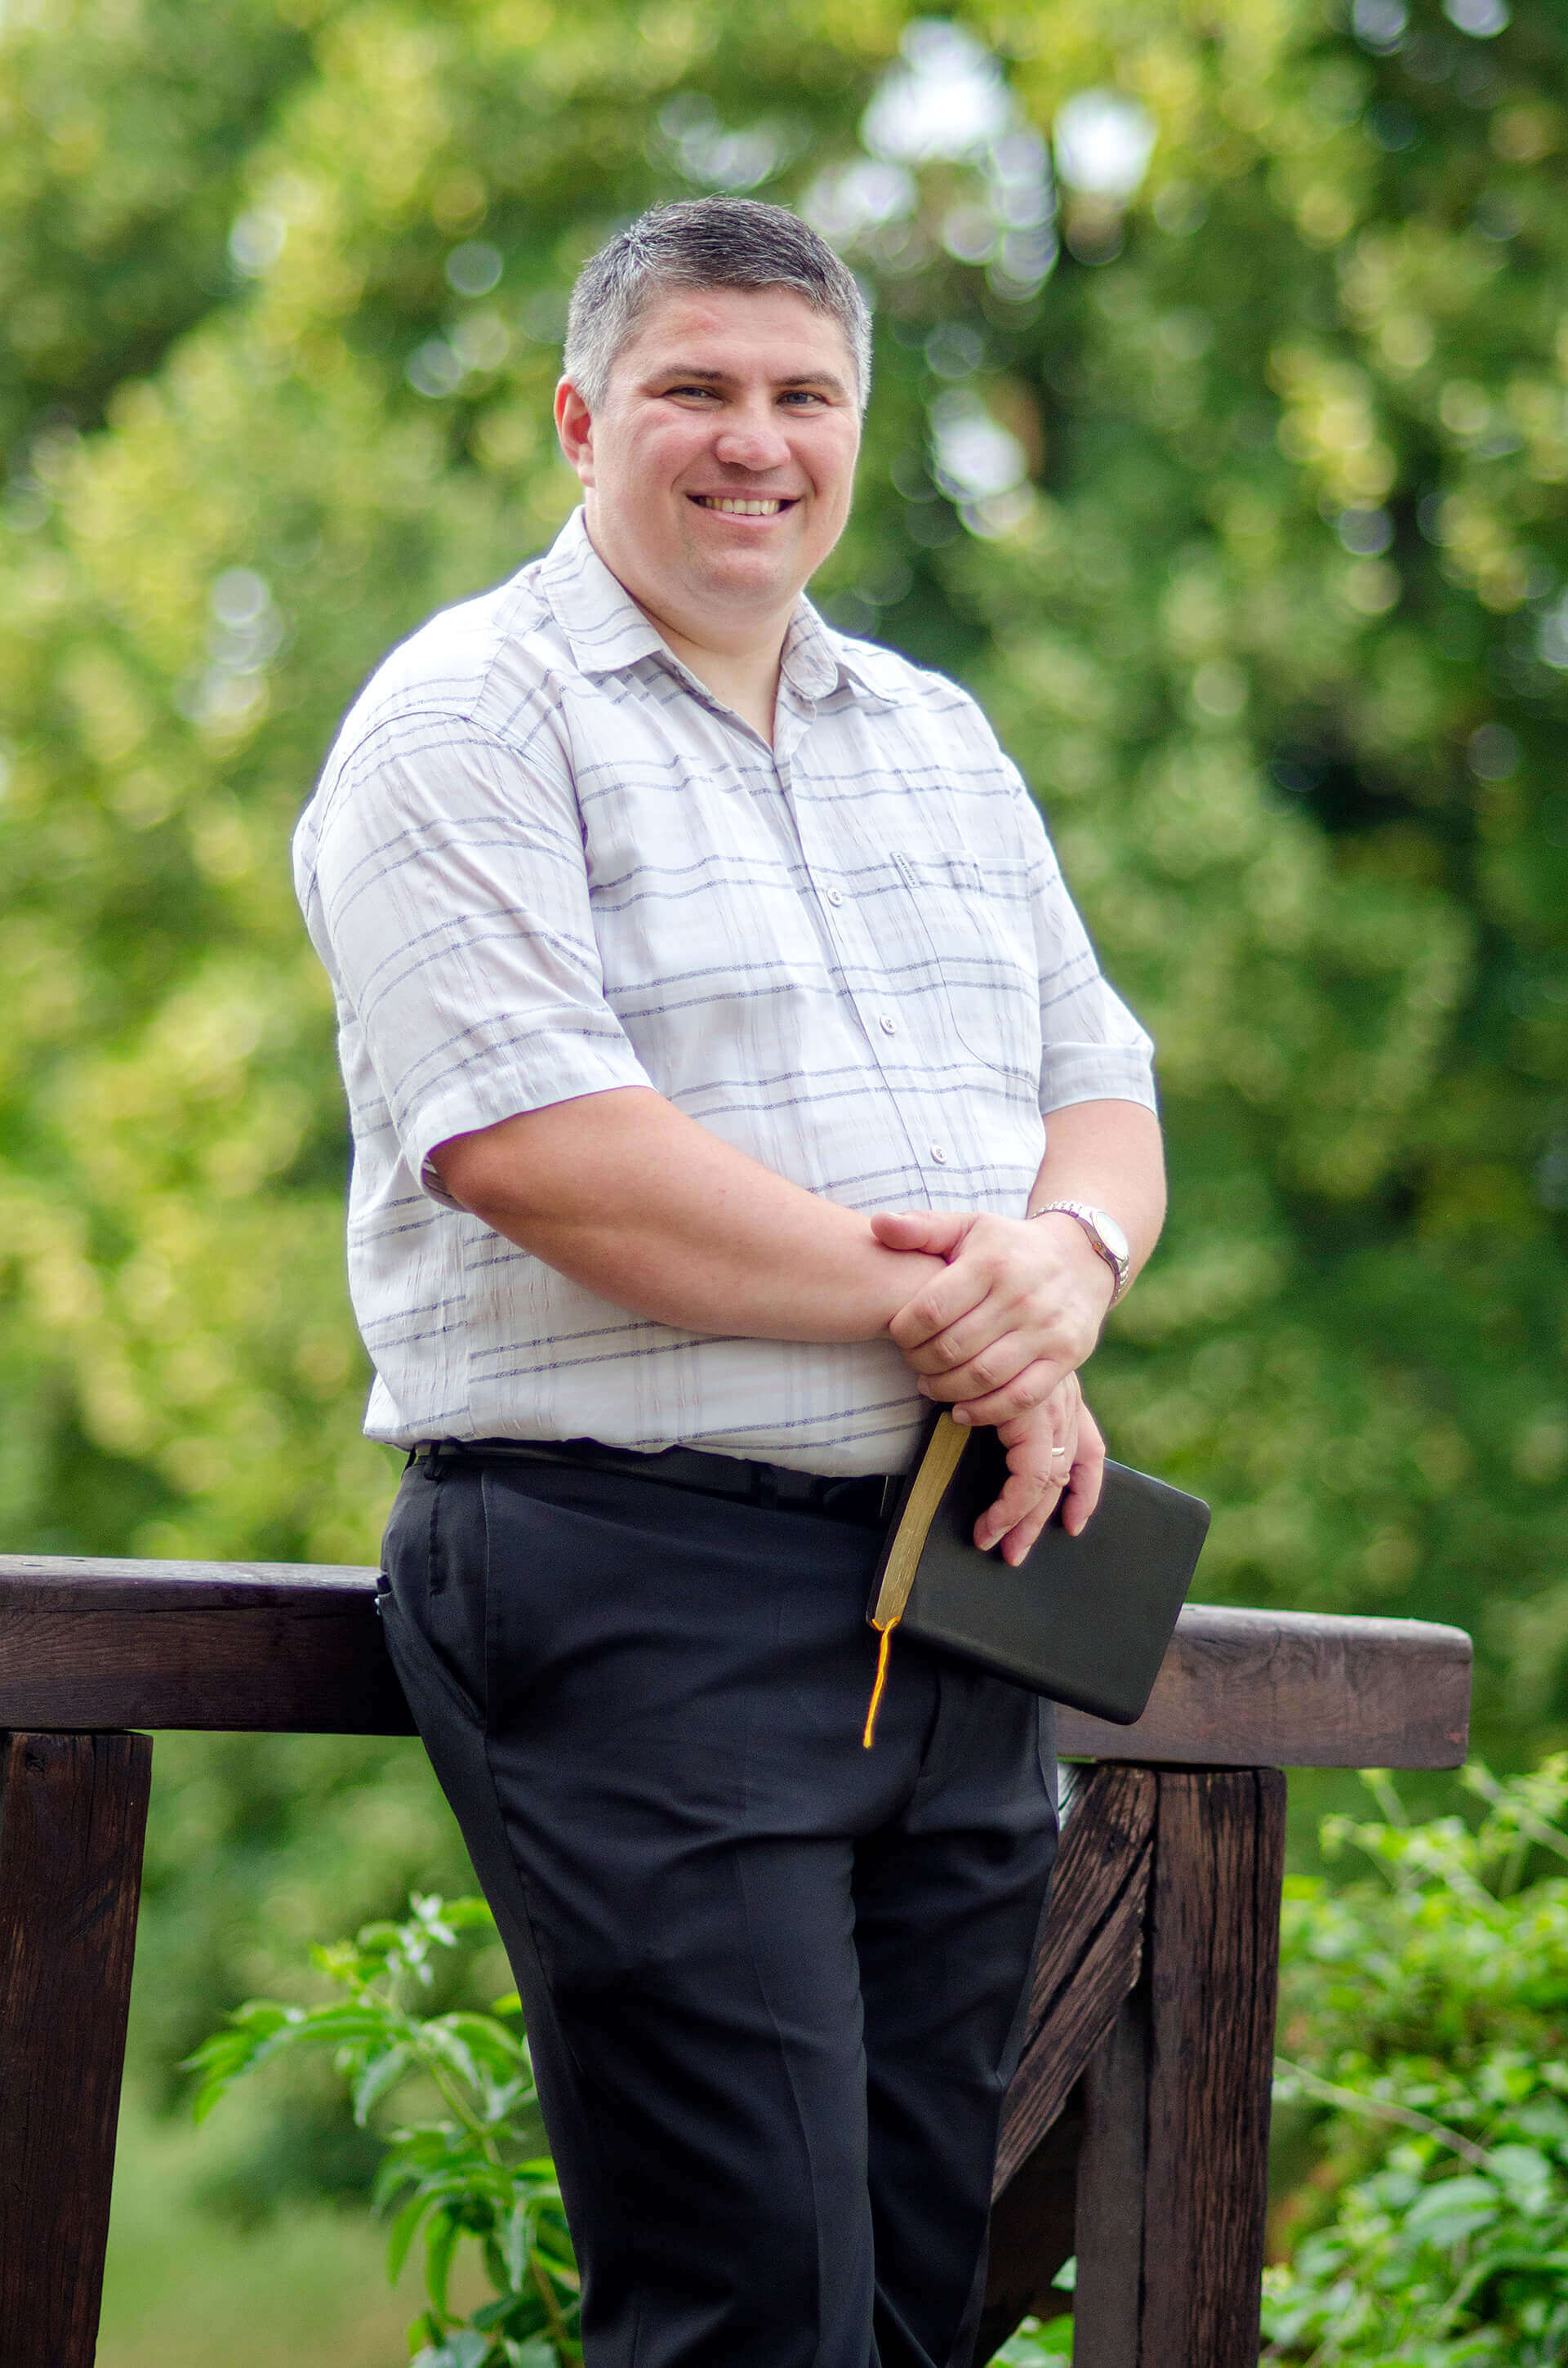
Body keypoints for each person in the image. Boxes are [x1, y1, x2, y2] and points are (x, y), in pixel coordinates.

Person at [294, 196, 1164, 2368]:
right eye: (695, 388)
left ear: (857, 428)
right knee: (749, 2314)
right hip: (636, 1584)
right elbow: (538, 1151)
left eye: (805, 395)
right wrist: (944, 1305)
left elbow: (1105, 1093)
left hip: (966, 1578)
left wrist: (1063, 1265)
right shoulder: (462, 723)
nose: (752, 440)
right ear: (584, 417)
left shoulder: (940, 741)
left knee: (926, 2304)